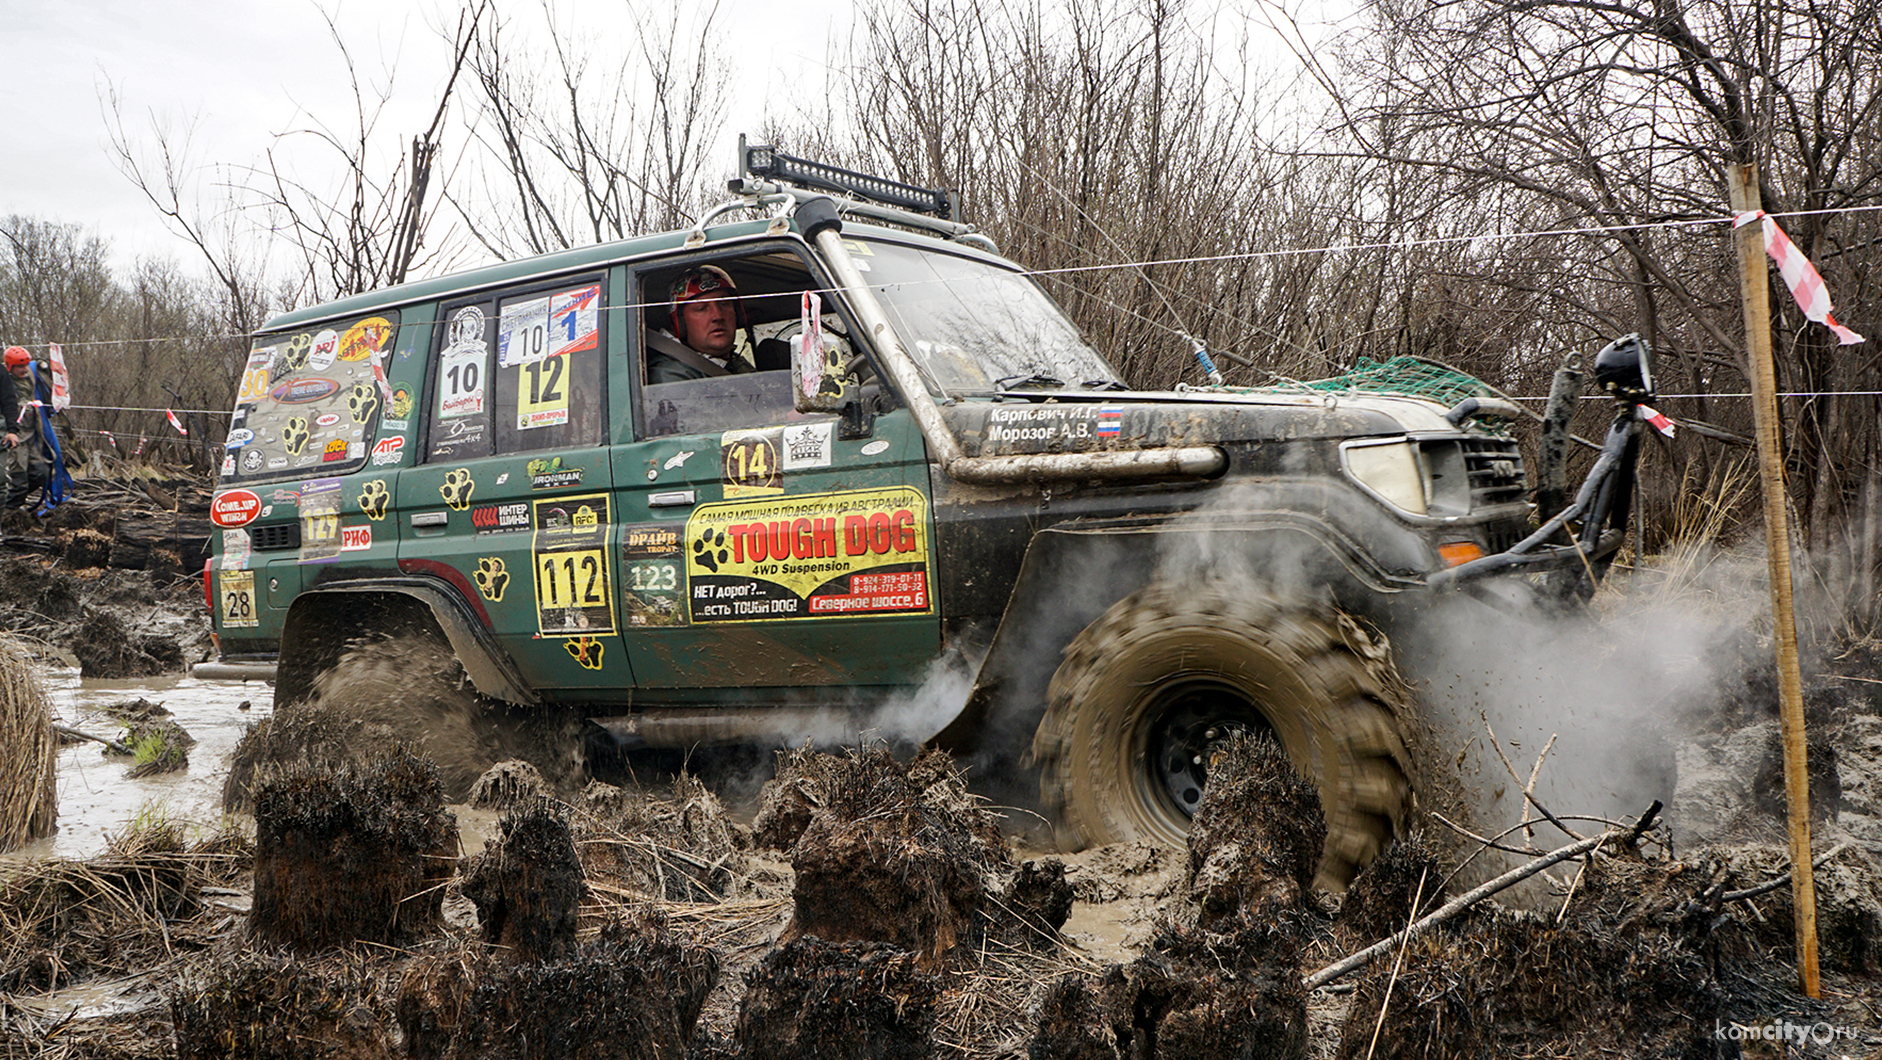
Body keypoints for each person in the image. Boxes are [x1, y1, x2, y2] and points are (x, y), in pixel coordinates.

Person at [646, 265, 757, 384]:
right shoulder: (673, 377)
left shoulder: (737, 365)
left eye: (724, 304)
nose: (717, 316)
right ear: (680, 323)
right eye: (701, 308)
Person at [5, 346, 52, 512]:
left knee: (41, 472)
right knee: (18, 482)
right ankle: (7, 513)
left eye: (25, 365)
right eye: (20, 366)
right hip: (13, 438)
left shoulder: (31, 376)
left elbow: (44, 370)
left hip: (31, 436)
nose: (24, 369)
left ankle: (14, 505)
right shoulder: (5, 383)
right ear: (10, 367)